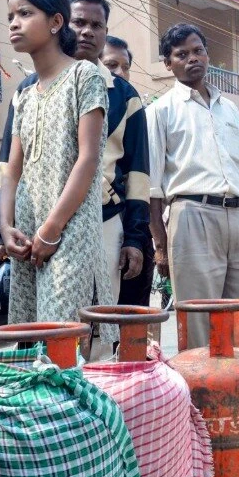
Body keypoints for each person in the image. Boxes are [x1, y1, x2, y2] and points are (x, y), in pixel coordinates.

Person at [0, 0, 149, 329]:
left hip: (79, 224)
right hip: (27, 229)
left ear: (54, 22)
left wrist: (52, 230)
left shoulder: (91, 79)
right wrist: (3, 228)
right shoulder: (24, 91)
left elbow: (94, 161)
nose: (13, 25)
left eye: (24, 14)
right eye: (10, 17)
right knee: (32, 335)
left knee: (68, 335)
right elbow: (9, 169)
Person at [147, 23, 239, 348]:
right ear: (168, 64)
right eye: (181, 54)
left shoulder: (228, 108)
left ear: (207, 54)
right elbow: (153, 186)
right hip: (191, 215)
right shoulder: (160, 111)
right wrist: (160, 245)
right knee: (198, 320)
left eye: (197, 50)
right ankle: (200, 395)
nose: (192, 59)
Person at [99, 36, 156, 308]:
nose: (120, 73)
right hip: (52, 225)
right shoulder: (32, 89)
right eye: (111, 64)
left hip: (112, 218)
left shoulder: (127, 99)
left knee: (115, 316)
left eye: (125, 66)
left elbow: (139, 175)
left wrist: (135, 237)